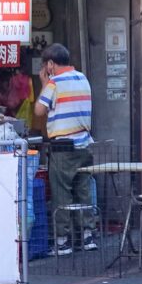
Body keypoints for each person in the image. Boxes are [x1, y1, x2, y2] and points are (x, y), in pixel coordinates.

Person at [36, 43, 96, 255]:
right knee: (83, 190)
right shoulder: (82, 78)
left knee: (62, 193)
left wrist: (44, 83)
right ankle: (87, 236)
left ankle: (63, 241)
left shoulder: (54, 83)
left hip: (63, 148)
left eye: (46, 65)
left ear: (51, 64)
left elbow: (39, 111)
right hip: (85, 145)